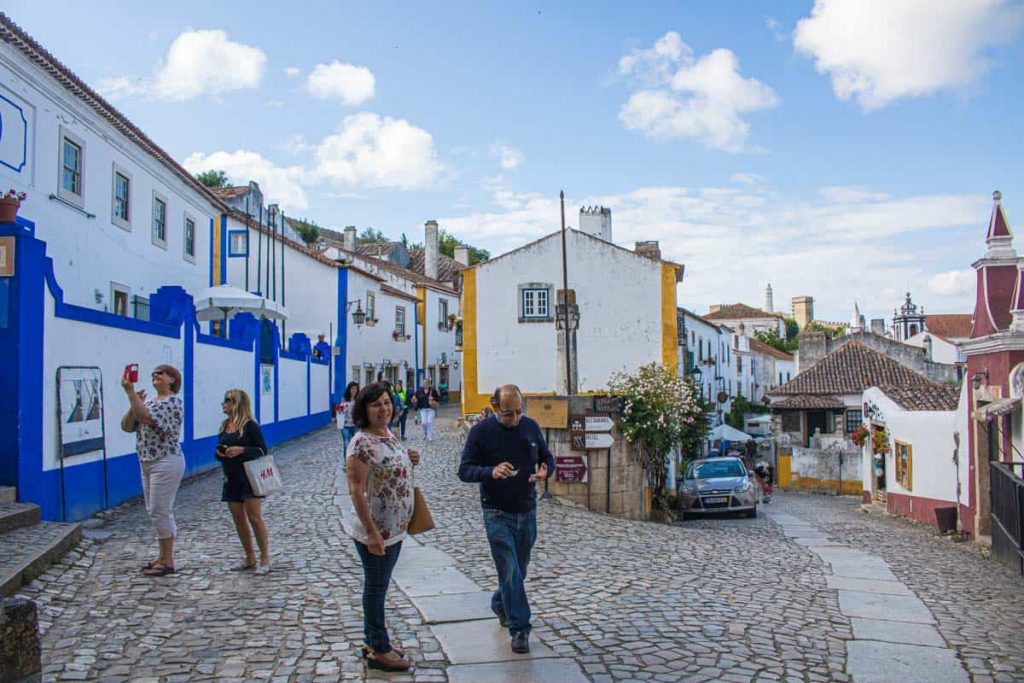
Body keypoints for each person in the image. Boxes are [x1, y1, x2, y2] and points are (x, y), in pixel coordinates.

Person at [458, 384, 554, 654]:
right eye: (509, 414)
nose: (515, 419)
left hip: (527, 509)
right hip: (496, 511)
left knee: (519, 570)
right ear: (495, 407)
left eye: (519, 412)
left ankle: (501, 602)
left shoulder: (530, 427)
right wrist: (491, 471)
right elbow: (464, 470)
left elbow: (546, 456)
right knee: (509, 569)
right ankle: (520, 628)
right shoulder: (481, 432)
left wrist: (547, 470)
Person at [345, 383, 421, 672]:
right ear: (364, 409)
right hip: (376, 532)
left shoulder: (389, 435)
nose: (383, 409)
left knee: (380, 585)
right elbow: (356, 490)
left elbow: (392, 470)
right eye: (376, 404)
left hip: (395, 529)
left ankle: (373, 640)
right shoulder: (361, 443)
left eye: (387, 402)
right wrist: (372, 533)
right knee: (376, 588)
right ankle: (378, 647)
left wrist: (410, 458)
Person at [120, 364, 185, 577]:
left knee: (160, 509)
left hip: (165, 459)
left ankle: (168, 560)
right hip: (146, 460)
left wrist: (131, 394)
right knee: (154, 510)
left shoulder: (173, 402)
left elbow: (148, 418)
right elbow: (127, 426)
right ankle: (162, 555)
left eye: (161, 373)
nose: (156, 375)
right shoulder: (149, 401)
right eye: (154, 373)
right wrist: (134, 402)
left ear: (172, 380)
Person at [216, 389, 271, 574]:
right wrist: (221, 454)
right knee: (238, 519)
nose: (223, 403)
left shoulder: (249, 426)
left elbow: (262, 450)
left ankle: (264, 558)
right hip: (230, 477)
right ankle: (249, 557)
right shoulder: (225, 425)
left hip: (249, 476)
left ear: (237, 403)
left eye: (227, 400)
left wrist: (242, 450)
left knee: (254, 518)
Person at [336, 382, 359, 455]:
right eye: (352, 389)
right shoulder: (344, 399)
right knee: (346, 443)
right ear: (349, 389)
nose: (354, 390)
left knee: (356, 444)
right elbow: (340, 411)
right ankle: (347, 462)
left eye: (356, 389)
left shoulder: (358, 399)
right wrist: (338, 421)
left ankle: (354, 461)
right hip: (345, 425)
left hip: (355, 425)